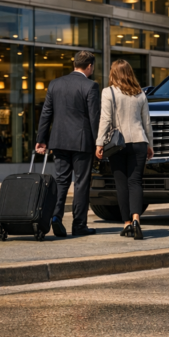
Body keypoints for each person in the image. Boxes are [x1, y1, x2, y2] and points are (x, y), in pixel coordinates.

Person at [35, 51, 101, 237]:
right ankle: (79, 225)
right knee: (81, 183)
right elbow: (94, 118)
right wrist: (99, 143)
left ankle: (56, 217)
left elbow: (46, 113)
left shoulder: (55, 84)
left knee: (61, 181)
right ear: (89, 66)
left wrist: (41, 140)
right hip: (82, 142)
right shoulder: (91, 86)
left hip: (59, 140)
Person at [96, 60, 154, 240]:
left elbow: (105, 120)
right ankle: (137, 219)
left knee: (121, 184)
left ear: (113, 73)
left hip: (118, 145)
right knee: (135, 182)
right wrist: (150, 144)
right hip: (139, 142)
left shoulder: (108, 92)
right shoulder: (140, 94)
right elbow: (147, 123)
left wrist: (99, 143)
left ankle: (127, 223)